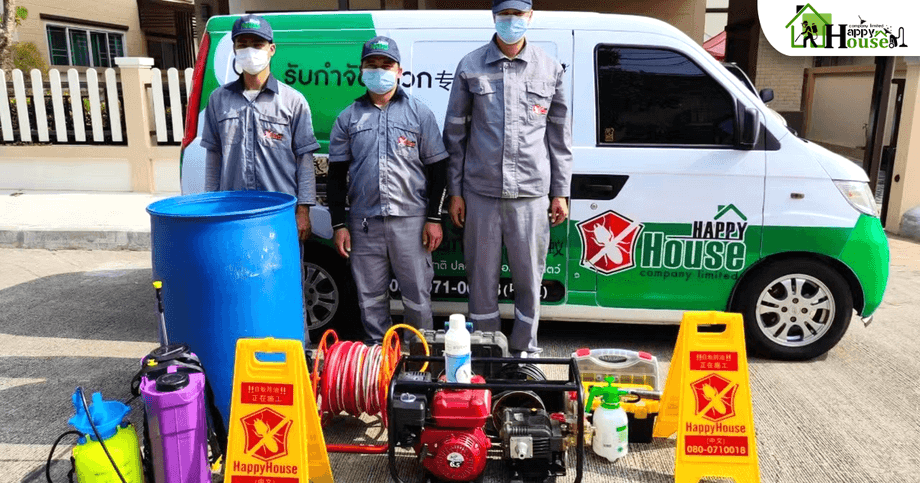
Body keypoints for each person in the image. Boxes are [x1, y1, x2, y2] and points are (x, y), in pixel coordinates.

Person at [444, 0, 572, 357]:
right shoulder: (470, 66)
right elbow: (455, 135)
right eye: (505, 14)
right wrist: (455, 192)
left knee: (529, 280)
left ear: (530, 17)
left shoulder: (549, 68)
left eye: (518, 14)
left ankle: (524, 352)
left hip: (531, 195)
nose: (511, 21)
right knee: (481, 280)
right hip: (480, 194)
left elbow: (559, 136)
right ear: (494, 17)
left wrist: (560, 192)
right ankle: (487, 352)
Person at [328, 36, 449, 343]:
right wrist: (339, 224)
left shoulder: (419, 113)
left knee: (417, 297)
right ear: (361, 70)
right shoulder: (348, 117)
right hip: (364, 224)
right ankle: (380, 360)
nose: (379, 70)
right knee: (370, 300)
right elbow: (336, 175)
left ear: (399, 71)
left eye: (386, 65)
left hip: (412, 223)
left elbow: (439, 170)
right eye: (372, 65)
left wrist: (434, 218)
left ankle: (420, 359)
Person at [201, 14, 320, 242]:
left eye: (257, 44)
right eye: (242, 44)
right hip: (233, 214)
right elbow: (213, 157)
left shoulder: (293, 101)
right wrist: (210, 205)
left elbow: (304, 160)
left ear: (271, 49)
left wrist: (304, 211)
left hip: (280, 214)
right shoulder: (218, 100)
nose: (250, 51)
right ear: (234, 49)